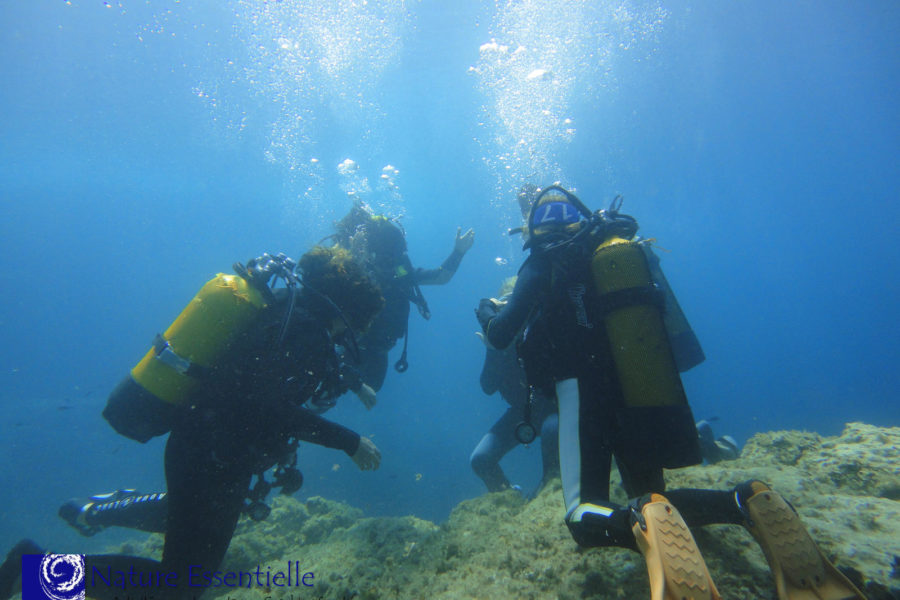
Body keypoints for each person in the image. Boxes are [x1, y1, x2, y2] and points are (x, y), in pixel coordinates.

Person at [477, 185, 864, 600]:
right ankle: (743, 502)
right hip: (637, 384)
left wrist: (486, 314)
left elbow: (500, 336)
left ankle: (636, 525)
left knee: (581, 515)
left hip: (581, 393)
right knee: (654, 499)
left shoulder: (543, 261)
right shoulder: (608, 250)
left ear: (534, 227)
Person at [0, 247, 384, 600]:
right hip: (212, 459)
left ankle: (46, 561)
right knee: (179, 586)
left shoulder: (286, 314)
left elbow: (259, 397)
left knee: (181, 571)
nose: (356, 334)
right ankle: (31, 573)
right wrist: (348, 441)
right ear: (348, 311)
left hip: (207, 450)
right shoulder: (306, 333)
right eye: (360, 324)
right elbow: (269, 406)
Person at [328, 201, 474, 392]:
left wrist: (458, 252)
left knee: (371, 389)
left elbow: (441, 277)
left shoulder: (399, 274)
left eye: (390, 259)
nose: (388, 265)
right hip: (346, 347)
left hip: (378, 349)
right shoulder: (347, 274)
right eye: (384, 258)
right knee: (325, 390)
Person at [470, 277, 559, 495]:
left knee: (551, 431)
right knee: (480, 459)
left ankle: (549, 491)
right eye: (504, 307)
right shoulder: (500, 343)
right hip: (521, 413)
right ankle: (508, 497)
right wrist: (493, 349)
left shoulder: (544, 329)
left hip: (555, 408)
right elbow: (488, 387)